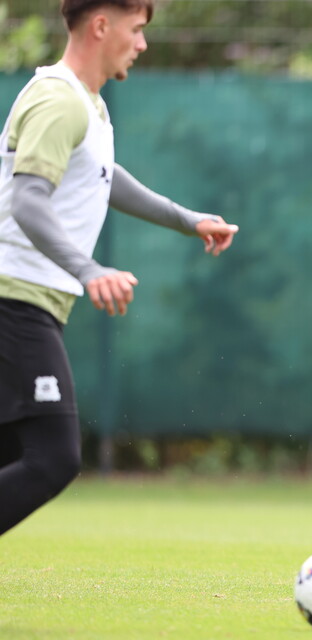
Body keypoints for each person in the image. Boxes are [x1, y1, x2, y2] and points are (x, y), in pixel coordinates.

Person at [0, 0, 239, 536]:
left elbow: (105, 176)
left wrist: (188, 220)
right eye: (136, 29)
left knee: (14, 454)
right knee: (52, 458)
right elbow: (29, 201)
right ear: (101, 26)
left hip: (26, 300)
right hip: (14, 300)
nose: (142, 44)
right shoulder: (58, 99)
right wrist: (88, 270)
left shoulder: (88, 105)